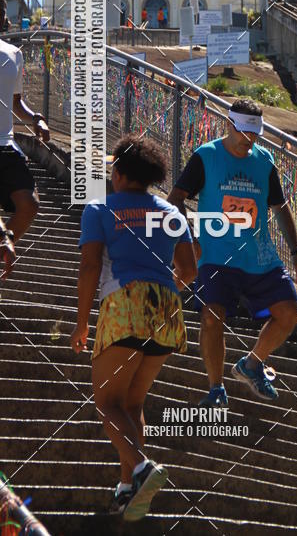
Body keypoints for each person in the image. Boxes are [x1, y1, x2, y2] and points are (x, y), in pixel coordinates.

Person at [71, 135, 197, 520]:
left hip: (124, 303)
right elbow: (189, 270)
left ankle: (142, 468)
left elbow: (90, 266)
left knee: (107, 402)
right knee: (132, 404)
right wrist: (159, 291)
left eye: (112, 169)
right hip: (168, 309)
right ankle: (128, 488)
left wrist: (81, 324)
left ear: (121, 174)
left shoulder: (99, 208)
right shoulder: (171, 212)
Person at [167, 98, 297, 408]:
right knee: (211, 316)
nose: (250, 139)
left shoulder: (264, 160)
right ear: (228, 125)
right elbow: (175, 198)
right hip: (216, 255)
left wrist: (296, 250)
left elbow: (280, 206)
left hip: (259, 256)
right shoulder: (206, 156)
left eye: (254, 133)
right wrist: (191, 235)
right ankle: (216, 388)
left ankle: (252, 363)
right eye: (244, 132)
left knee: (290, 312)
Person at [0, 0, 49, 249]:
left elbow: (17, 103)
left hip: (5, 144)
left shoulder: (14, 54)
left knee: (29, 205)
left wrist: (36, 120)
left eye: (1, 12)